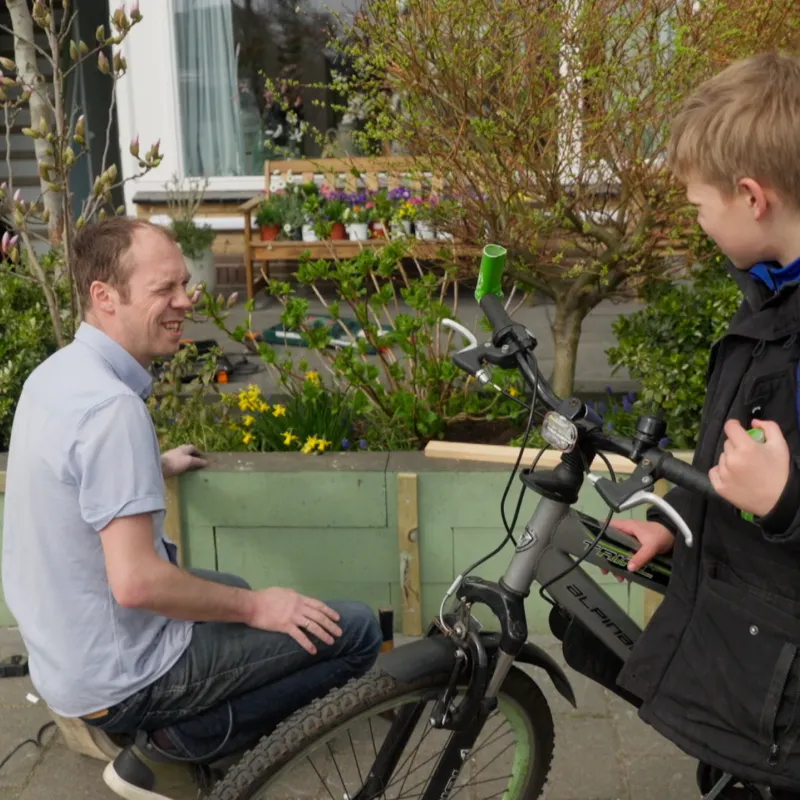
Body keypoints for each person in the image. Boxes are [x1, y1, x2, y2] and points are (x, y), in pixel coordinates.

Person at [0, 217, 383, 800]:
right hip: (116, 677)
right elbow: (136, 584)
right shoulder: (110, 410)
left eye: (184, 284)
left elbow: (72, 479)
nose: (185, 302)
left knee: (225, 586)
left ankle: (156, 722)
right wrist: (258, 608)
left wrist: (150, 467)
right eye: (164, 290)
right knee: (350, 629)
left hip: (64, 660)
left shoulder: (56, 377)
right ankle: (169, 754)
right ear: (105, 296)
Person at [607, 51, 800, 796]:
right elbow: (739, 439)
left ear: (752, 197)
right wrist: (685, 514)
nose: (696, 222)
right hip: (748, 665)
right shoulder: (771, 293)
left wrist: (786, 500)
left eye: (697, 207)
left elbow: (773, 484)